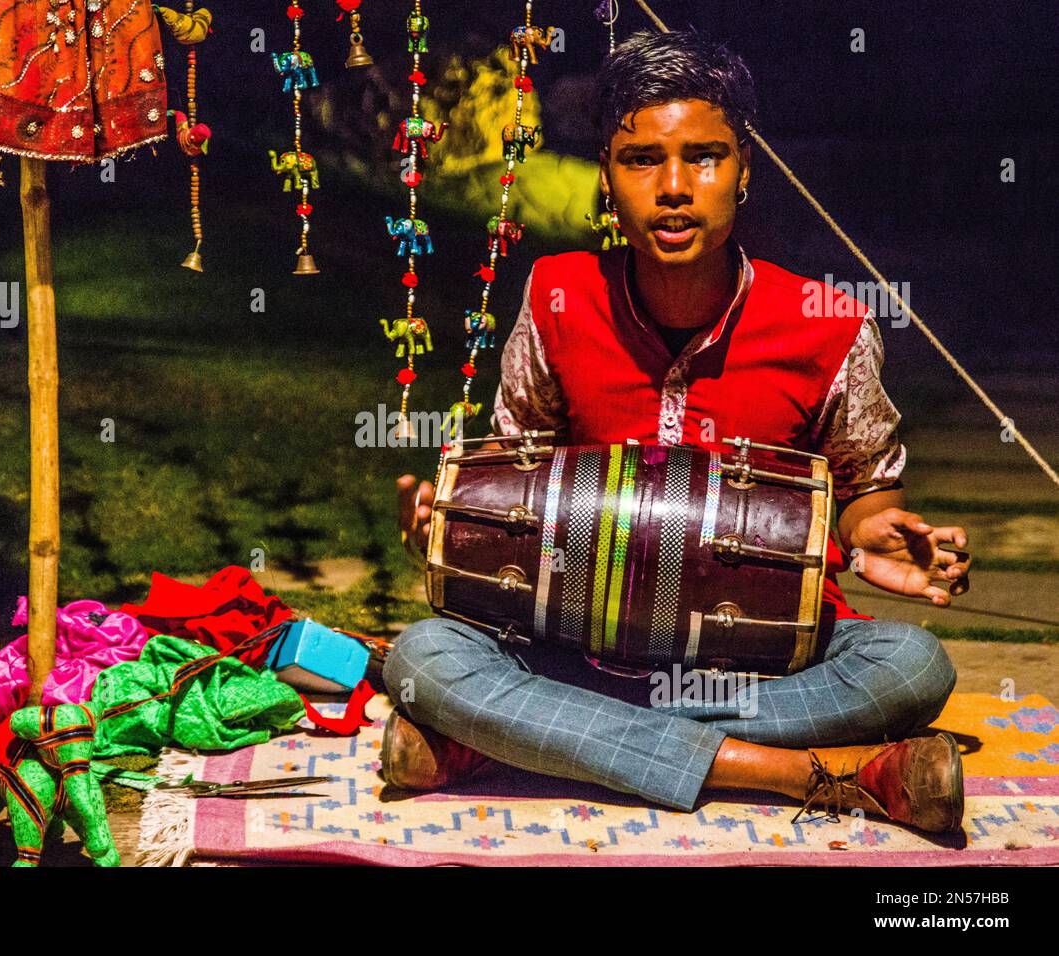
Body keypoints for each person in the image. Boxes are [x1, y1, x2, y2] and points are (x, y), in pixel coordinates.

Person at [384, 29, 972, 834]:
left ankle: (518, 744)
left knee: (910, 668)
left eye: (704, 156)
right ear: (606, 176)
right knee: (427, 657)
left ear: (744, 172)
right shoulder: (558, 297)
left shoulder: (824, 321)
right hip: (580, 652)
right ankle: (810, 773)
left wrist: (881, 533)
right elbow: (518, 484)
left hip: (758, 667)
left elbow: (869, 489)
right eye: (640, 160)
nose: (673, 187)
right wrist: (457, 531)